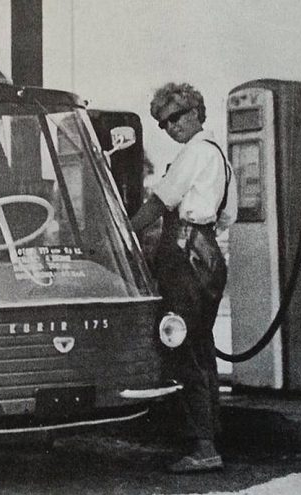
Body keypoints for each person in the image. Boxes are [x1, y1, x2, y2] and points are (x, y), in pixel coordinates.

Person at [131, 82, 237, 473]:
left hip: (185, 252)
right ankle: (210, 434)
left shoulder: (195, 152)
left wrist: (123, 232)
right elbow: (228, 215)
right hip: (208, 253)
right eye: (163, 123)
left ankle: (203, 446)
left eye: (175, 117)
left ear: (195, 112)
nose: (170, 127)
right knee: (201, 346)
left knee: (182, 346)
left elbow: (160, 202)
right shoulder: (220, 157)